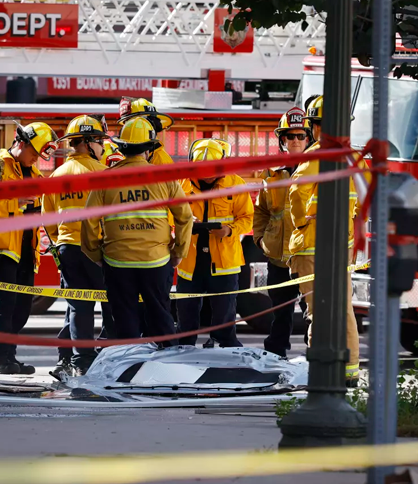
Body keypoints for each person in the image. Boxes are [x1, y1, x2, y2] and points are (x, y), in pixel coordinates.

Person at [81, 117, 194, 346]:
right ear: (149, 148)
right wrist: (178, 252)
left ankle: (129, 369)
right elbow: (185, 217)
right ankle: (166, 367)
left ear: (122, 147)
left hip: (117, 262)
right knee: (161, 317)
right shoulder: (165, 178)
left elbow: (88, 220)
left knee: (125, 321)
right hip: (156, 261)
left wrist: (96, 254)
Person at [289, 95, 362, 387]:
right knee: (344, 311)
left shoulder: (314, 157)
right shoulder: (352, 158)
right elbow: (357, 204)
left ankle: (321, 371)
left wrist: (302, 220)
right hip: (342, 248)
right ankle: (350, 371)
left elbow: (296, 194)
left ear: (316, 127)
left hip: (312, 249)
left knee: (319, 312)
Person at [0, 121, 58, 375]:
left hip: (26, 251)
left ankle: (9, 356)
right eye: (34, 153)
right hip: (3, 250)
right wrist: (15, 203)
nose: (35, 159)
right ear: (21, 143)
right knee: (4, 304)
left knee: (22, 307)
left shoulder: (34, 175)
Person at [42, 115, 114, 380]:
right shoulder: (103, 173)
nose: (103, 147)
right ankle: (108, 357)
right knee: (110, 304)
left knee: (78, 307)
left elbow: (48, 220)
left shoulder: (56, 175)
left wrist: (61, 242)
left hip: (67, 249)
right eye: (100, 142)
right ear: (88, 142)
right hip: (98, 250)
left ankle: (81, 360)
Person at [176, 138, 252, 348]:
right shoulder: (181, 184)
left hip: (224, 261)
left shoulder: (235, 184)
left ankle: (224, 346)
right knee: (187, 312)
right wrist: (184, 221)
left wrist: (229, 230)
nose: (207, 177)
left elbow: (247, 218)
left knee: (224, 312)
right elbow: (166, 216)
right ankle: (183, 348)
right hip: (190, 261)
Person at [253, 107, 309, 358]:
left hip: (308, 254)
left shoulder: (317, 169)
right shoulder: (271, 173)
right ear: (282, 140)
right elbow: (262, 211)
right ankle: (276, 356)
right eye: (290, 136)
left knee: (314, 312)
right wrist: (260, 240)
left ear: (309, 138)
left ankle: (317, 358)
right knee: (281, 312)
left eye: (300, 136)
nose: (295, 141)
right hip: (278, 257)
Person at [119, 97, 175, 166]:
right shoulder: (128, 157)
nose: (131, 129)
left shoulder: (160, 160)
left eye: (136, 124)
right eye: (127, 124)